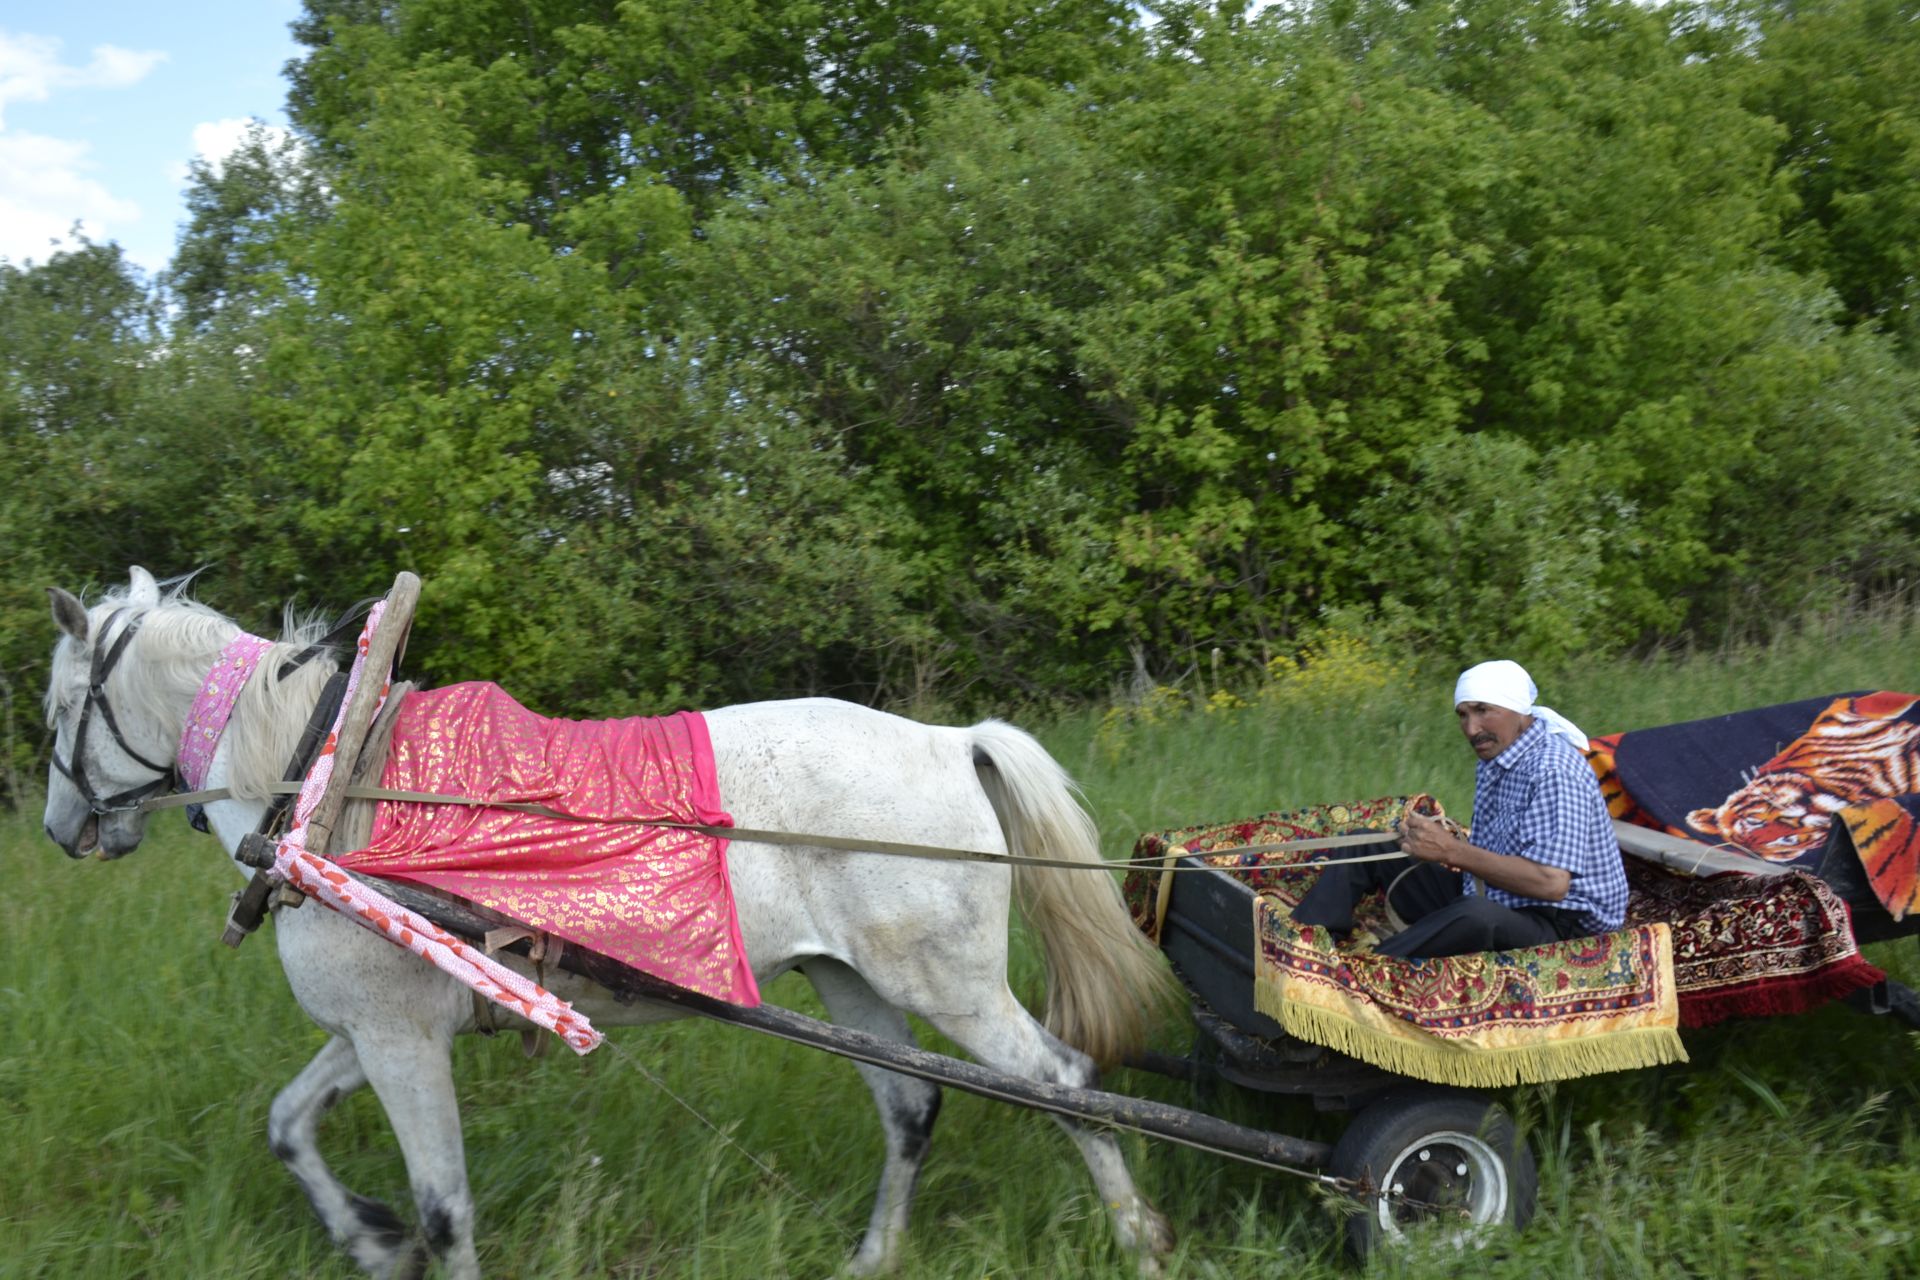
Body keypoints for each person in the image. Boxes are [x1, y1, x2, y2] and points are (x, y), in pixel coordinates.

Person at [1292, 659, 1628, 959]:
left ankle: (1352, 982)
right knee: (1368, 844)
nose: (1471, 729)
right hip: (1500, 893)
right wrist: (1428, 843)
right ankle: (1300, 948)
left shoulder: (1554, 770)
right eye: (1463, 714)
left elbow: (1551, 884)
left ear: (1518, 710)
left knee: (1474, 915)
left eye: (1483, 711)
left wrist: (1450, 851)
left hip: (1562, 925)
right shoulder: (1499, 754)